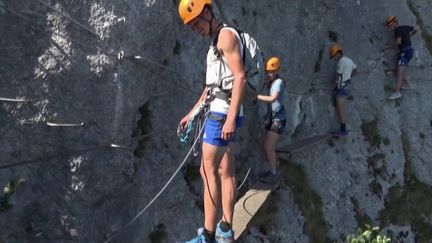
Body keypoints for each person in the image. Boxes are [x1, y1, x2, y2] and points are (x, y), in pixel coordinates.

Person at [178, 0, 247, 242]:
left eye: (197, 22)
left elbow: (240, 78)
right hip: (224, 110)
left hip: (222, 113)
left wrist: (229, 120)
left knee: (206, 170)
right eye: (192, 25)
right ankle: (226, 230)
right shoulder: (215, 45)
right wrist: (191, 114)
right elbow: (210, 89)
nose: (196, 28)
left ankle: (207, 235)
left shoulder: (225, 38)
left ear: (208, 12)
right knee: (225, 170)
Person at [256, 57, 286, 184]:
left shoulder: (278, 82)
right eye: (268, 72)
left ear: (277, 71)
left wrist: (257, 96)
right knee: (269, 147)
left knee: (268, 146)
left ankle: (273, 173)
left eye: (272, 72)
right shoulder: (272, 83)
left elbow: (273, 99)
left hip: (278, 120)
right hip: (273, 119)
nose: (269, 74)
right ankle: (273, 170)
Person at [381, 16, 420, 100]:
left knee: (399, 72)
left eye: (390, 26)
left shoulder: (397, 30)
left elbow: (398, 42)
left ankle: (397, 92)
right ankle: (408, 85)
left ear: (393, 24)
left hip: (405, 52)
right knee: (397, 71)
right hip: (407, 51)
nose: (390, 28)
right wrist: (409, 36)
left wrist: (387, 47)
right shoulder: (404, 27)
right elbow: (416, 29)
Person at [329, 43, 358, 137]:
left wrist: (332, 81)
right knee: (343, 107)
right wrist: (348, 76)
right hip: (347, 86)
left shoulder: (341, 62)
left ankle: (342, 130)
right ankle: (343, 128)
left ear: (337, 53)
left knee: (340, 108)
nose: (334, 58)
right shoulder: (349, 60)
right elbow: (356, 71)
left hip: (341, 87)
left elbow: (337, 76)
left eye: (333, 56)